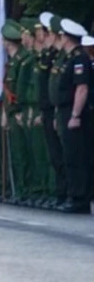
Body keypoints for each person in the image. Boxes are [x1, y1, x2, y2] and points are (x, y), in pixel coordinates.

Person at [55, 18, 92, 214]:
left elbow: (82, 88)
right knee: (69, 156)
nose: (59, 40)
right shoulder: (70, 58)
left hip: (75, 112)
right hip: (65, 111)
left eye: (61, 36)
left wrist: (76, 114)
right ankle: (73, 194)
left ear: (67, 38)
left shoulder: (79, 59)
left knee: (78, 157)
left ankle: (80, 199)